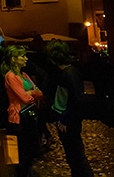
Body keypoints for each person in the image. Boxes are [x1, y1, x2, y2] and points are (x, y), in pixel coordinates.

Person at [47, 40, 94, 177]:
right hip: (66, 119)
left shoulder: (70, 73)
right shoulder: (68, 72)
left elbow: (76, 100)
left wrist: (65, 119)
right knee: (73, 157)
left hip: (69, 121)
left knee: (76, 156)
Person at [2, 46, 43, 177]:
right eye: (22, 56)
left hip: (30, 115)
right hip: (19, 118)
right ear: (14, 59)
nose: (26, 59)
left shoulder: (24, 75)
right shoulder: (10, 76)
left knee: (31, 151)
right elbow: (23, 98)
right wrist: (32, 94)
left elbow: (40, 93)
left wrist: (30, 93)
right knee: (22, 153)